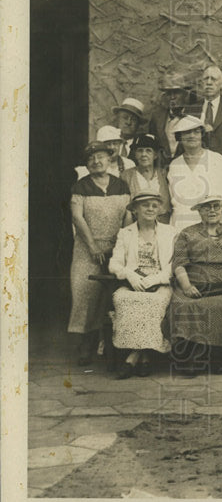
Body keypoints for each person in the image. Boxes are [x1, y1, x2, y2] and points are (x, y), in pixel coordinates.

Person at [67, 140, 131, 366]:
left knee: (112, 295)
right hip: (87, 248)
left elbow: (128, 217)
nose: (96, 161)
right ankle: (86, 344)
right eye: (91, 159)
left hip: (116, 247)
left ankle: (112, 345)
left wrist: (121, 244)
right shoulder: (81, 187)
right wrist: (93, 246)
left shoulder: (121, 185)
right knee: (84, 293)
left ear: (109, 159)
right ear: (87, 163)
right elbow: (77, 217)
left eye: (101, 157)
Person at [167, 192, 222, 377]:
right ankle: (188, 355)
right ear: (199, 211)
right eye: (206, 207)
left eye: (216, 206)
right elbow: (179, 263)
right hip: (194, 281)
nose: (212, 210)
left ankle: (216, 355)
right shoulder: (188, 233)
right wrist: (186, 286)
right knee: (184, 304)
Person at [108, 192, 175, 378]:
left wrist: (157, 278)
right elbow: (114, 264)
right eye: (145, 205)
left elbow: (175, 264)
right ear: (135, 210)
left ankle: (132, 358)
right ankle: (145, 357)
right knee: (123, 299)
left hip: (159, 284)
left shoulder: (169, 232)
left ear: (159, 209)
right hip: (133, 284)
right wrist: (129, 275)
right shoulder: (125, 233)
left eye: (154, 205)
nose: (150, 209)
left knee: (153, 303)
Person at [166, 115, 222, 231]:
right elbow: (173, 200)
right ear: (180, 137)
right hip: (181, 226)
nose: (191, 136)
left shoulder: (217, 159)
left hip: (212, 226)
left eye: (196, 132)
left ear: (202, 135)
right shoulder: (174, 165)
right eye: (186, 132)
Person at [146, 72, 200, 163]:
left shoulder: (195, 117)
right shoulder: (157, 117)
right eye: (168, 93)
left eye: (176, 92)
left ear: (185, 94)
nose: (172, 97)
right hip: (162, 169)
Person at [121, 133, 171, 224]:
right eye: (140, 151)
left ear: (155, 155)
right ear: (135, 154)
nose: (143, 154)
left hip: (163, 226)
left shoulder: (165, 174)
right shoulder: (126, 176)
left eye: (148, 151)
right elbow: (124, 208)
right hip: (136, 225)